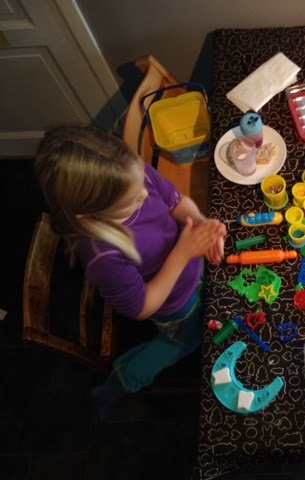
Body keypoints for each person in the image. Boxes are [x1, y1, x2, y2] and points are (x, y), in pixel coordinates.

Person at [35, 125, 228, 419]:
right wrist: (183, 253)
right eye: (130, 201)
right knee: (185, 341)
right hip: (174, 305)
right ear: (87, 213)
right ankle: (121, 382)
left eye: (141, 183)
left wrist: (201, 224)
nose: (144, 195)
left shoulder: (129, 174)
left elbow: (177, 202)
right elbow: (142, 307)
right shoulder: (103, 256)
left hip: (192, 268)